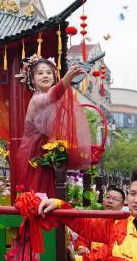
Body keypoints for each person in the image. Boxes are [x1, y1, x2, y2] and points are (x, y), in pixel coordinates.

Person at [15, 55, 90, 196]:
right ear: (32, 79)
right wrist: (67, 78)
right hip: (34, 154)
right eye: (40, 73)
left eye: (49, 72)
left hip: (47, 151)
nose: (45, 76)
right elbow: (52, 96)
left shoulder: (53, 97)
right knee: (38, 194)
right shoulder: (37, 99)